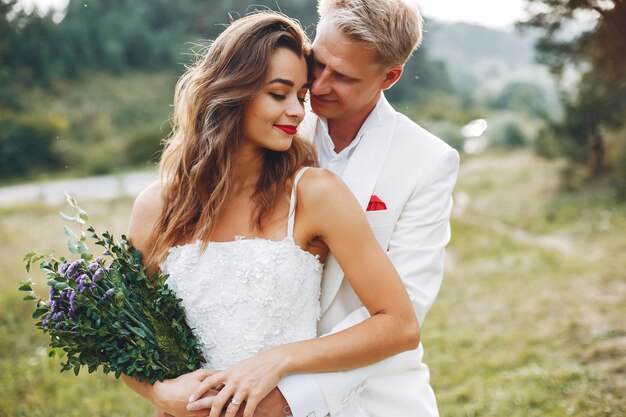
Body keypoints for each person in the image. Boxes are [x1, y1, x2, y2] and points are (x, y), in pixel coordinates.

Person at [122, 11, 422, 417]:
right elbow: (122, 329)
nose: (300, 111)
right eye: (279, 94)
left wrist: (280, 359)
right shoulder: (156, 206)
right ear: (231, 90)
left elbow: (399, 324)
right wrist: (158, 392)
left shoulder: (315, 193)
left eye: (300, 96)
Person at [190, 1, 460, 416]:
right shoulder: (274, 121)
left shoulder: (427, 162)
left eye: (345, 77)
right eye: (318, 62)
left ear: (389, 77)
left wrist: (288, 394)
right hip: (244, 384)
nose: (317, 86)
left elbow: (404, 311)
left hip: (373, 397)